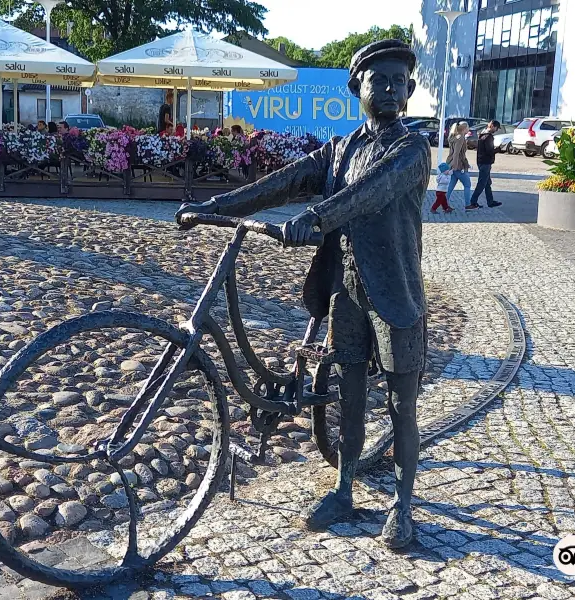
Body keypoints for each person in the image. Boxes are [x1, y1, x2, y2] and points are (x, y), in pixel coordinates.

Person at [176, 39, 430, 549]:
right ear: (358, 88)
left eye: (399, 81)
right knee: (352, 393)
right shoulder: (343, 148)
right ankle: (344, 489)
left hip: (396, 294)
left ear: (409, 91)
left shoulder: (412, 150)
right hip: (348, 289)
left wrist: (313, 220)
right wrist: (216, 205)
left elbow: (367, 193)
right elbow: (286, 181)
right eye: (378, 80)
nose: (389, 89)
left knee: (401, 403)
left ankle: (403, 504)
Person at [467, 120, 502, 210]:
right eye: (497, 128)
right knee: (482, 183)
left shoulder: (482, 134)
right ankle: (473, 202)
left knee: (487, 183)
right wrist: (498, 149)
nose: (496, 130)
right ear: (493, 126)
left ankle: (490, 201)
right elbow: (489, 151)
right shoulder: (488, 137)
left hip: (481, 161)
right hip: (486, 162)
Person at [445, 122, 471, 204]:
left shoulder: (454, 137)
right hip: (458, 165)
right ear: (464, 128)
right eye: (468, 127)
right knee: (467, 184)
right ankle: (468, 205)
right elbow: (456, 153)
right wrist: (455, 166)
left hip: (451, 162)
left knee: (451, 185)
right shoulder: (460, 138)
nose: (468, 129)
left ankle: (444, 203)